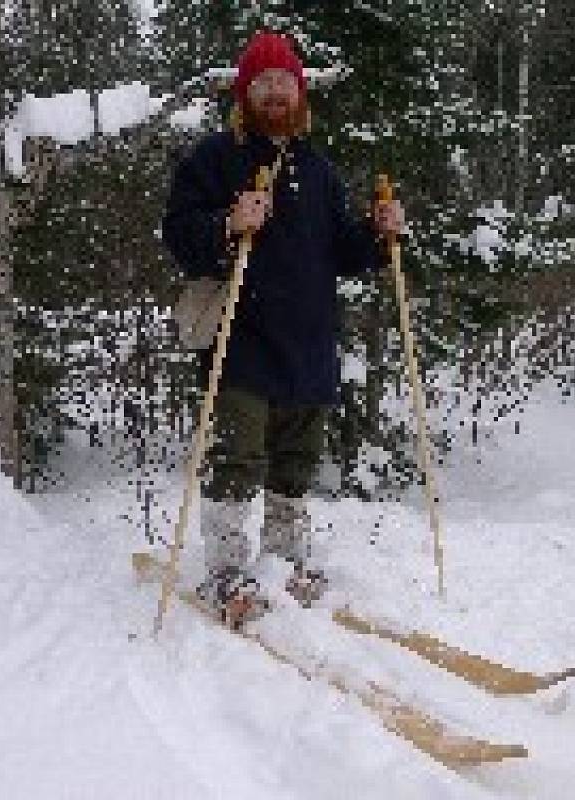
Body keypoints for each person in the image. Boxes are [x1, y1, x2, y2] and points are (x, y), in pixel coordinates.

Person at [162, 31, 404, 627]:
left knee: (297, 460)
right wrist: (226, 222)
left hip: (309, 342)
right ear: (244, 94)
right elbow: (178, 235)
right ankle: (226, 569)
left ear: (300, 93)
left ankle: (285, 556)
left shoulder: (316, 170)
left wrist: (381, 234)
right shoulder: (214, 159)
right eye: (263, 84)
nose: (275, 93)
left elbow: (343, 250)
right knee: (238, 456)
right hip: (240, 340)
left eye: (285, 83)